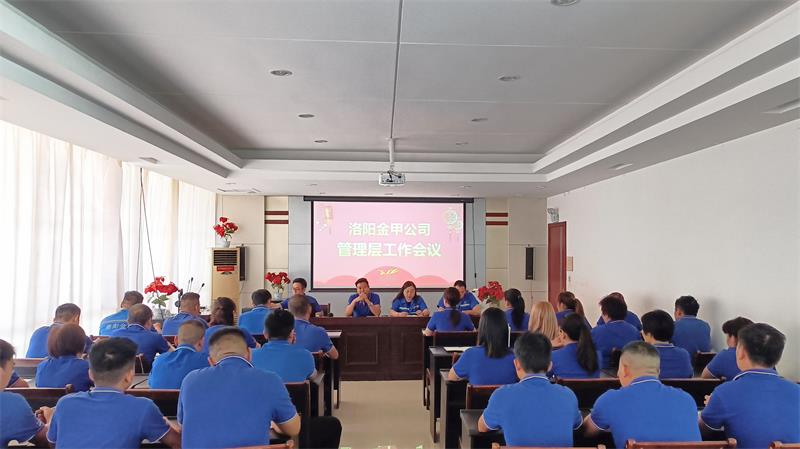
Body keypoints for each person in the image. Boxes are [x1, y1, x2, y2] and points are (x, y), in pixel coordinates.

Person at [46, 337, 181, 448]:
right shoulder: (143, 408)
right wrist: (165, 422)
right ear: (129, 376)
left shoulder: (64, 404)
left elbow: (53, 444)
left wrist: (50, 418)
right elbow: (178, 443)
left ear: (90, 375)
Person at [178, 327, 301, 448]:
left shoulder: (189, 380)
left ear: (210, 361)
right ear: (249, 354)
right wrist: (274, 424)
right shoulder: (270, 380)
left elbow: (183, 426)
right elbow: (293, 429)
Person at [583, 341, 701, 447]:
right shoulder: (687, 399)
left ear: (624, 369)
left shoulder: (609, 400)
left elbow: (586, 432)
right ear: (658, 371)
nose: (618, 374)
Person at [701, 323, 799, 446]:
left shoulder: (725, 393)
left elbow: (701, 431)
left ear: (741, 351)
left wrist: (713, 406)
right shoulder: (797, 390)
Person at [478, 332, 581, 446]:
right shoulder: (568, 396)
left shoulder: (501, 396)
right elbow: (577, 426)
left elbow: (482, 427)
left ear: (517, 364)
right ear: (550, 365)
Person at [0, 339, 50, 447]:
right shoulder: (11, 403)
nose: (12, 373)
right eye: (12, 368)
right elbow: (46, 438)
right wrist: (50, 417)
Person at [448, 307, 517, 385]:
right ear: (505, 329)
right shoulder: (515, 358)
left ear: (481, 329)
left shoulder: (470, 354)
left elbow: (451, 377)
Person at [252, 309, 316, 382]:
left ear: (265, 333)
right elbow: (314, 377)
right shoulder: (306, 355)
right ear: (292, 333)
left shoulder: (251, 356)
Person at [149, 320, 209, 389]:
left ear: (176, 340)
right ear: (201, 342)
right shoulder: (207, 361)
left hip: (158, 396)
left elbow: (151, 384)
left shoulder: (158, 360)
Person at [109, 304, 172, 369]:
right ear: (149, 321)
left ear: (128, 320)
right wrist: (159, 331)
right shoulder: (155, 337)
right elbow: (174, 356)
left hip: (116, 374)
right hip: (144, 375)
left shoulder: (114, 334)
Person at [35, 324, 92, 391]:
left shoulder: (42, 367)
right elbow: (100, 387)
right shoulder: (85, 367)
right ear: (82, 344)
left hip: (44, 398)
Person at [591, 295, 641, 369]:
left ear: (606, 314)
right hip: (629, 370)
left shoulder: (596, 332)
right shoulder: (635, 331)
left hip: (603, 371)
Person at [640, 310, 693, 379]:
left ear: (649, 334)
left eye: (643, 330)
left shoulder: (641, 356)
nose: (641, 332)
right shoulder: (684, 355)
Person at [288, 295, 339, 359]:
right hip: (309, 365)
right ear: (309, 309)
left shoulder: (280, 331)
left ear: (289, 311)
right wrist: (324, 352)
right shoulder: (319, 332)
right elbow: (334, 355)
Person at [551, 313, 600, 378]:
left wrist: (549, 345)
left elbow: (542, 377)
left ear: (563, 334)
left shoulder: (553, 356)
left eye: (559, 331)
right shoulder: (597, 356)